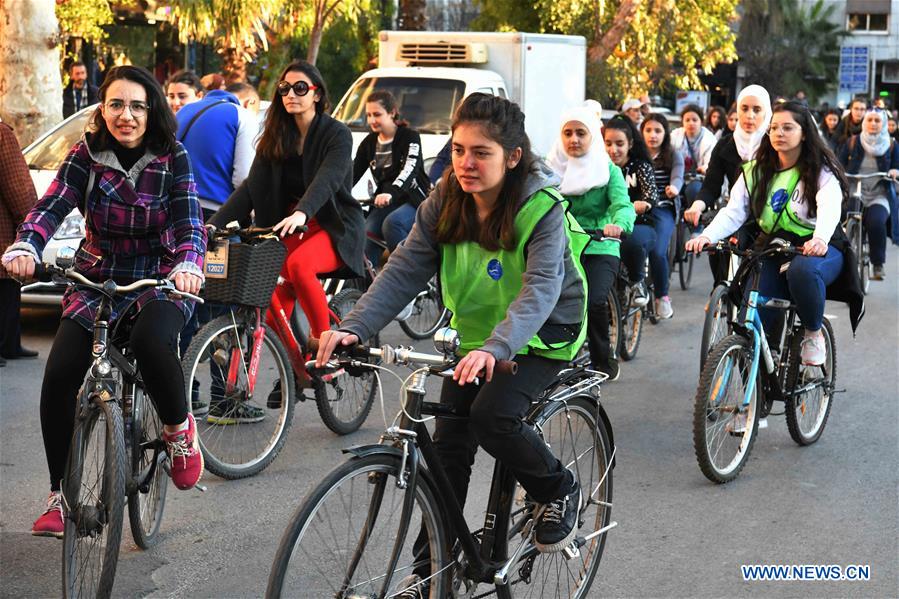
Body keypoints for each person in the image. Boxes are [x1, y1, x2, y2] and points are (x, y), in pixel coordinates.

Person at [317, 94, 590, 594]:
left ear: (511, 157)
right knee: (447, 454)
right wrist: (354, 326)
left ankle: (558, 487)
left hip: (543, 334)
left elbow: (541, 289)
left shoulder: (540, 207)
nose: (466, 162)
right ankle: (431, 575)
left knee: (493, 418)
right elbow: (403, 268)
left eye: (481, 152)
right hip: (476, 334)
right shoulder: (444, 200)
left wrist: (498, 347)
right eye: (459, 149)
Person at [2, 65, 207, 537]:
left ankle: (178, 431)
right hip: (96, 279)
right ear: (102, 108)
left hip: (159, 278)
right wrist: (26, 244)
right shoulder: (86, 155)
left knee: (156, 343)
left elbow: (189, 220)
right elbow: (50, 205)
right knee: (58, 376)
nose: (126, 115)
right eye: (116, 104)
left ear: (151, 109)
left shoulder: (172, 157)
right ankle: (58, 492)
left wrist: (190, 263)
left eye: (137, 105)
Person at [686, 101, 863, 379]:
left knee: (802, 271)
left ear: (804, 133)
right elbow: (733, 212)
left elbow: (830, 207)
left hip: (818, 248)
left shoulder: (819, 170)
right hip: (773, 249)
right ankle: (753, 399)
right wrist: (706, 235)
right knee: (751, 315)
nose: (779, 132)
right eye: (774, 128)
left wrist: (819, 239)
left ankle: (813, 333)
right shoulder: (755, 170)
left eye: (788, 127)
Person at [208, 60, 365, 351]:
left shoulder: (337, 134)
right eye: (284, 88)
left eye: (300, 87)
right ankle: (292, 368)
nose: (291, 93)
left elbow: (328, 179)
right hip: (290, 226)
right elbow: (250, 189)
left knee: (300, 266)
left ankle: (325, 345)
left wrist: (302, 211)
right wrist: (212, 225)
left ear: (317, 94)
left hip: (331, 225)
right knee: (272, 302)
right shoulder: (276, 136)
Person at [547, 104, 635, 380]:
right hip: (563, 245)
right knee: (546, 298)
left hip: (600, 244)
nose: (574, 139)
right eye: (568, 133)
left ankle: (602, 360)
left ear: (592, 136)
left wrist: (618, 225)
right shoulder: (549, 169)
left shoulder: (608, 170)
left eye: (581, 133)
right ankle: (552, 356)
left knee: (595, 300)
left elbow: (623, 204)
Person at [684, 85, 772, 283]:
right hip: (735, 210)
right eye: (745, 108)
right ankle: (721, 294)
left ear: (767, 112)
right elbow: (711, 186)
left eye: (757, 110)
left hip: (769, 215)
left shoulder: (774, 144)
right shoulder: (725, 144)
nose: (750, 115)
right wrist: (696, 206)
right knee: (718, 247)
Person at [353, 90, 429, 267]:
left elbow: (409, 169)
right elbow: (352, 173)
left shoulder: (410, 137)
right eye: (369, 115)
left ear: (392, 113)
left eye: (377, 114)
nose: (372, 120)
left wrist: (391, 193)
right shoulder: (369, 142)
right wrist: (336, 193)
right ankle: (362, 290)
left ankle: (410, 274)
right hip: (387, 202)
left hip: (413, 199)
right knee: (366, 233)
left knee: (392, 224)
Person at [608, 117, 674, 318]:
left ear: (630, 144)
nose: (613, 150)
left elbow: (651, 196)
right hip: (605, 224)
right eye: (608, 144)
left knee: (634, 241)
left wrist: (643, 204)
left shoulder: (640, 167)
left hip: (639, 223)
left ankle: (638, 283)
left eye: (619, 144)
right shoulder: (599, 168)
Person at [839, 109, 899, 277]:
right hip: (853, 191)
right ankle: (840, 262)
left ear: (884, 124)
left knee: (876, 222)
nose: (873, 123)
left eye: (877, 121)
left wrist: (895, 171)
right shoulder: (852, 141)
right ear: (864, 122)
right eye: (870, 119)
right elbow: (839, 162)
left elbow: (897, 165)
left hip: (879, 193)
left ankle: (877, 263)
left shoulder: (892, 144)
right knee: (841, 219)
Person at [0, 118, 39, 366]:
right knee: (6, 286)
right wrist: (31, 225)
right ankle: (7, 345)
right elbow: (18, 186)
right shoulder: (2, 134)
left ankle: (11, 344)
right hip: (2, 232)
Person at [670, 104, 717, 208]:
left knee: (694, 190)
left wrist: (705, 167)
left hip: (699, 178)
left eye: (694, 120)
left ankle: (695, 220)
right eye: (687, 120)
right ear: (682, 122)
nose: (691, 123)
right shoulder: (675, 136)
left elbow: (712, 162)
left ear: (701, 121)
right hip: (678, 176)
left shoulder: (709, 139)